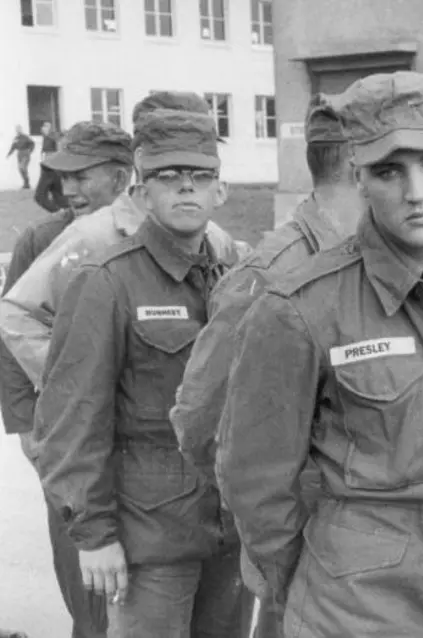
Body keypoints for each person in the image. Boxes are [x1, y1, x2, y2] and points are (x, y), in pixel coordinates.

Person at [215, 72, 423, 638]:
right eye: (388, 170)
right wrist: (311, 586)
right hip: (358, 613)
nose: (415, 191)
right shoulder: (301, 308)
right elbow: (255, 481)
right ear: (358, 177)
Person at [33, 109, 253, 638]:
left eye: (200, 177)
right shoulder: (106, 282)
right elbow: (72, 420)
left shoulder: (236, 279)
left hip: (227, 530)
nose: (185, 188)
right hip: (147, 540)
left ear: (220, 191)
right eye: (167, 176)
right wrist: (93, 535)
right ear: (141, 190)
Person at [170, 93, 363, 637]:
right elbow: (199, 419)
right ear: (358, 165)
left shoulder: (373, 264)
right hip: (294, 548)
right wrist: (266, 529)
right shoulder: (273, 273)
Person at [0, 91, 249, 393]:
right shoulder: (94, 236)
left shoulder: (213, 236)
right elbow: (16, 314)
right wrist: (76, 387)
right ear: (141, 155)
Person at [0, 121, 134, 638]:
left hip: (137, 439)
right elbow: (10, 338)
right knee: (86, 581)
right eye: (63, 177)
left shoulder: (147, 234)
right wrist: (29, 428)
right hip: (66, 440)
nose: (70, 190)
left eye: (83, 176)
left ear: (123, 177)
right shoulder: (44, 237)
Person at [34, 121, 67, 213]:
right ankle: (66, 213)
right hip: (51, 165)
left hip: (51, 166)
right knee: (58, 196)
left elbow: (59, 145)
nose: (42, 129)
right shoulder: (46, 137)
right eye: (43, 126)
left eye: (45, 127)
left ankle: (60, 213)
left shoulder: (53, 136)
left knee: (41, 196)